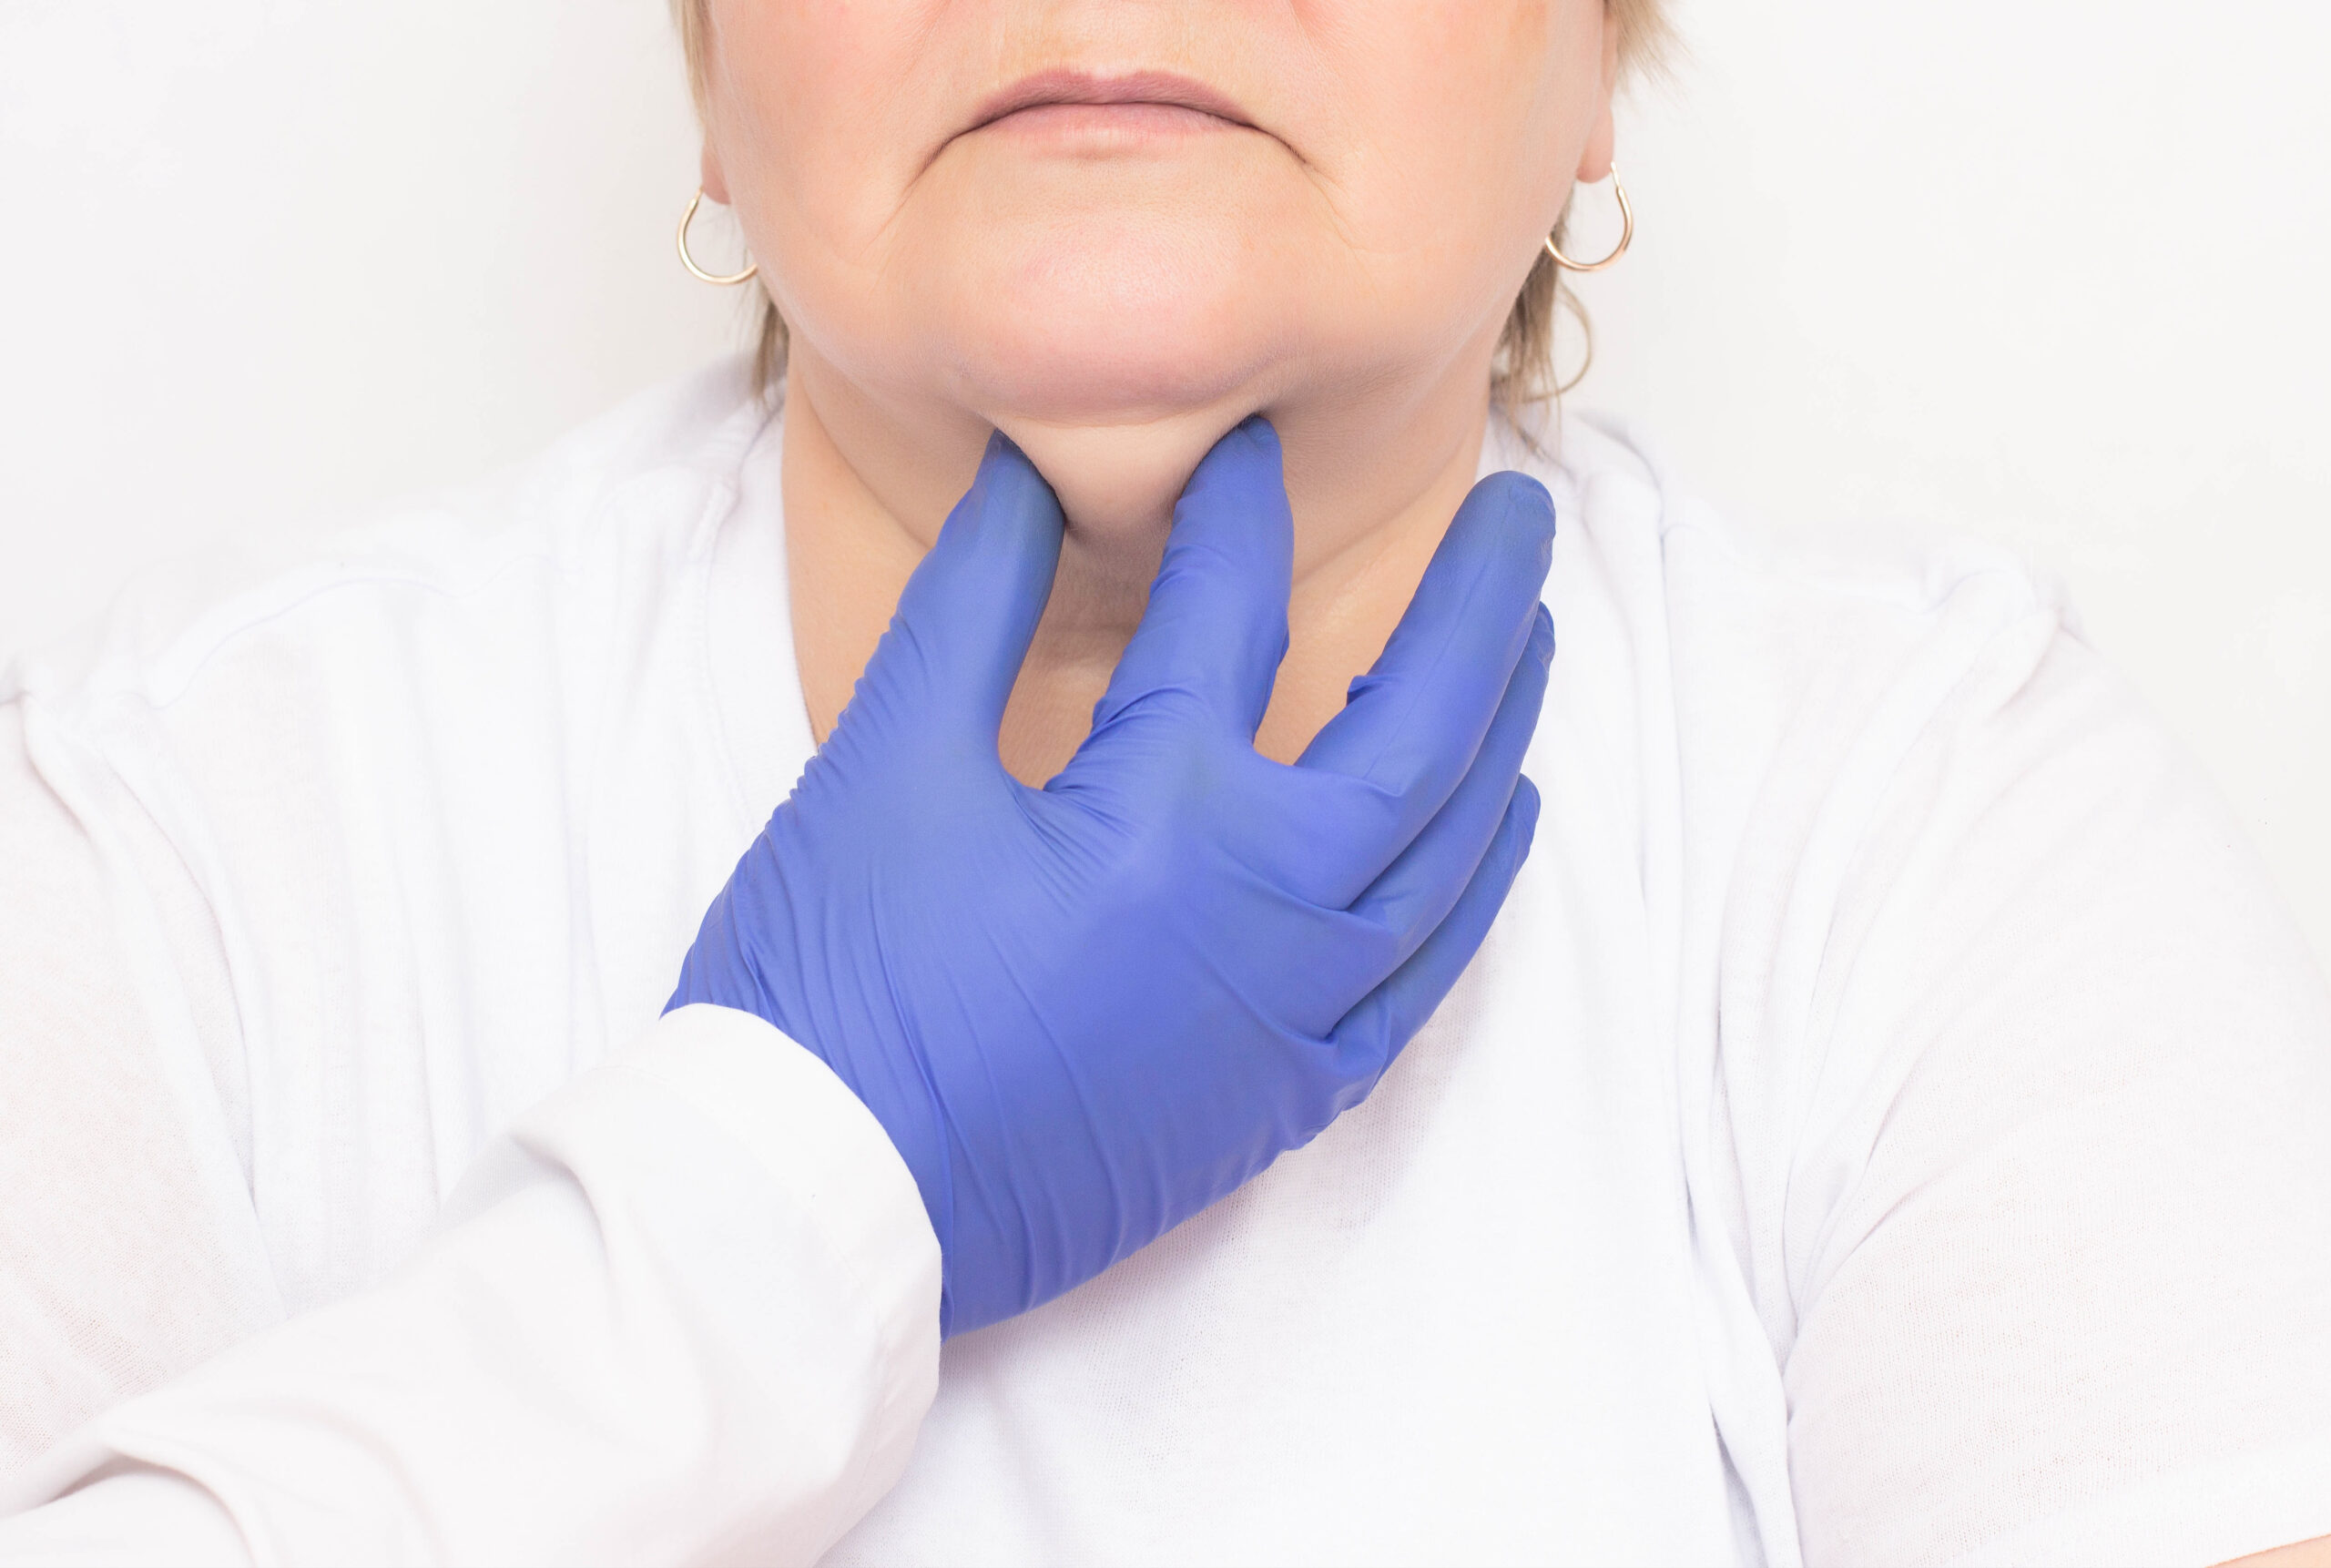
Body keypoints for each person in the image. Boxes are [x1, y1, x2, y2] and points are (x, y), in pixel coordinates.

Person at [2, 0, 2327, 1563]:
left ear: (1602, 67)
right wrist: (785, 1184)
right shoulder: (194, 854)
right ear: (706, 68)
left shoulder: (1930, 846)